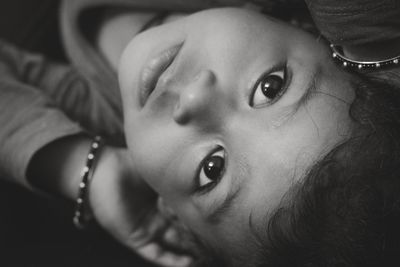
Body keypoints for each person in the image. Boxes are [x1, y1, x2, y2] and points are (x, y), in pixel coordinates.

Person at [0, 1, 399, 267]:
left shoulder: (106, 112)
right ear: (319, 38)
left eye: (212, 167)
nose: (193, 96)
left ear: (169, 211)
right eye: (269, 89)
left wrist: (80, 165)